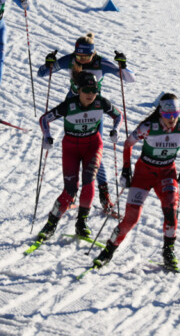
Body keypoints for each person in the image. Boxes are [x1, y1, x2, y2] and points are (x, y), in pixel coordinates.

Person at [93, 93, 180, 270]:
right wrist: (126, 169)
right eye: (167, 115)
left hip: (167, 173)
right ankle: (108, 251)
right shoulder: (149, 126)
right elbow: (128, 144)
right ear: (160, 113)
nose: (172, 119)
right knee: (131, 219)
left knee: (171, 213)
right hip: (144, 173)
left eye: (175, 114)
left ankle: (168, 252)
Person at [37, 32, 134, 215]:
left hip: (94, 108)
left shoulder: (101, 62)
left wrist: (123, 66)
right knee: (75, 146)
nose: (81, 60)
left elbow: (130, 79)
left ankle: (104, 197)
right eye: (78, 56)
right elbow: (42, 74)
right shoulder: (70, 60)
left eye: (86, 57)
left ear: (93, 53)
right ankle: (72, 193)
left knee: (94, 152)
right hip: (72, 106)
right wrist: (48, 63)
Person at [35, 72, 122, 241]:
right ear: (78, 90)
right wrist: (46, 136)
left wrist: (115, 130)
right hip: (71, 149)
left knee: (89, 182)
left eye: (94, 90)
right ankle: (51, 224)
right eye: (87, 90)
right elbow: (44, 119)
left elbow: (118, 115)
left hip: (93, 146)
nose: (91, 94)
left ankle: (81, 223)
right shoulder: (69, 105)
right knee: (70, 190)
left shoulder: (100, 103)